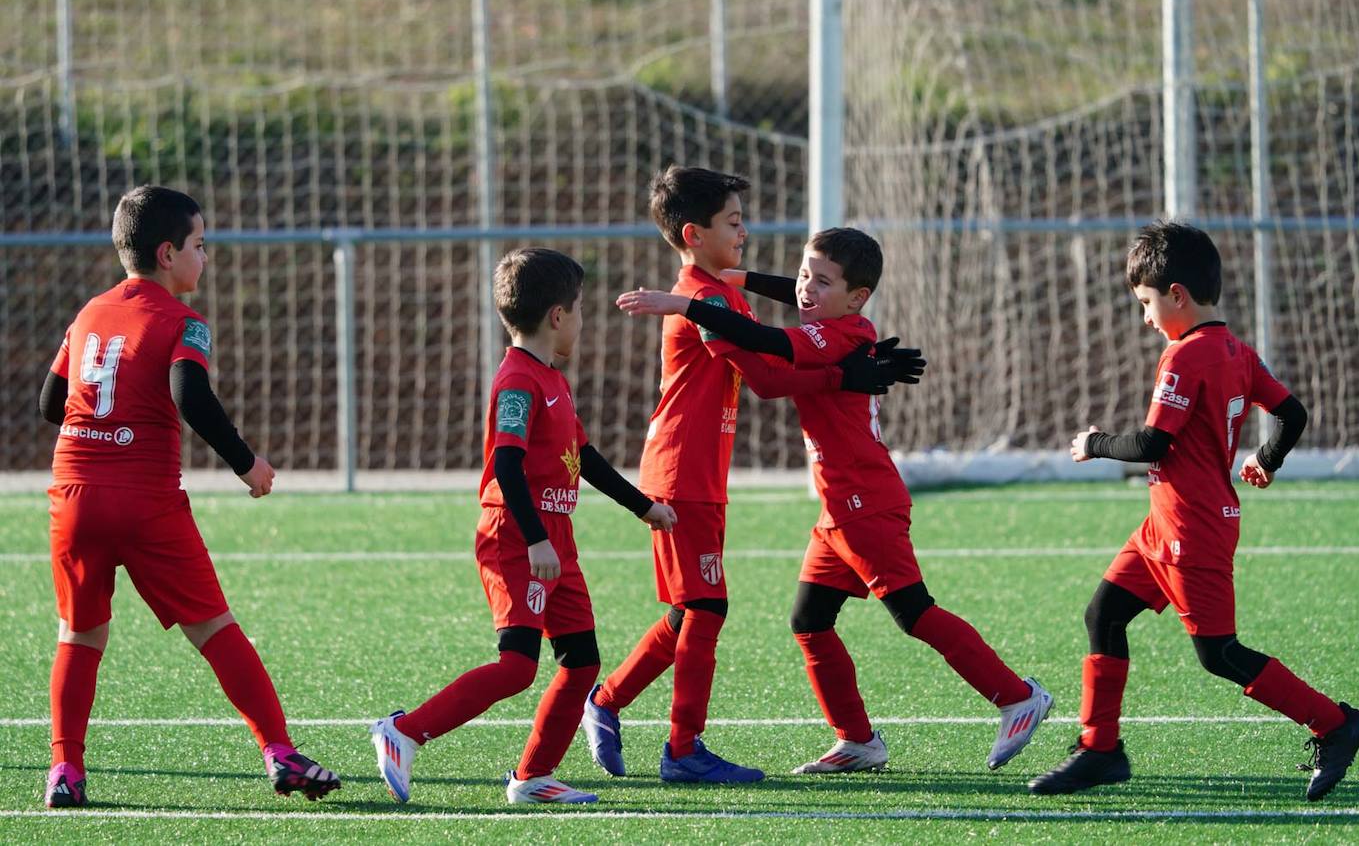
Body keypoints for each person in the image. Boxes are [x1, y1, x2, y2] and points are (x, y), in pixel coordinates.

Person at [616, 226, 1051, 776]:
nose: (806, 290)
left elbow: (768, 344)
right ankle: (858, 740)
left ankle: (1016, 697)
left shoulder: (835, 334)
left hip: (866, 500)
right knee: (811, 619)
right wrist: (742, 278)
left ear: (857, 298)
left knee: (914, 612)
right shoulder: (832, 320)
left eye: (822, 282)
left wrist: (683, 304)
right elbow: (800, 295)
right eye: (804, 275)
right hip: (838, 509)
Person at [581, 167, 922, 784]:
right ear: (695, 233)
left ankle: (606, 704)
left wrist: (855, 354)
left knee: (692, 611)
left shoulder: (721, 291)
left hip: (701, 471)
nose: (745, 231)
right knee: (706, 607)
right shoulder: (706, 299)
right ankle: (682, 750)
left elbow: (801, 301)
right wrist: (848, 374)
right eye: (733, 222)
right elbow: (766, 378)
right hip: (682, 470)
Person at [1027, 220, 1359, 800]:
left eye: (1146, 303)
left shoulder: (1184, 357)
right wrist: (1267, 457)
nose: (1145, 318)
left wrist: (1094, 443)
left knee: (1219, 653)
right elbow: (1295, 413)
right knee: (1103, 615)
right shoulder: (1237, 350)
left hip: (1193, 528)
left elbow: (1152, 443)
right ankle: (1099, 749)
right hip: (1164, 525)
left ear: (1177, 295)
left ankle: (1336, 724)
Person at [39, 185, 340, 808]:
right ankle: (280, 753)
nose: (207, 257)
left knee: (79, 635)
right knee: (216, 629)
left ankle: (65, 772)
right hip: (145, 499)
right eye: (201, 246)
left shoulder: (88, 313)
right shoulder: (183, 321)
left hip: (73, 495)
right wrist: (246, 463)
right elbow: (191, 397)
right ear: (168, 252)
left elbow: (50, 404)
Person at [370, 247, 677, 805]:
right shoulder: (518, 381)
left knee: (582, 661)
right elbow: (506, 466)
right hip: (517, 537)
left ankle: (533, 776)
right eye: (579, 309)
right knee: (516, 665)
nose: (582, 320)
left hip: (555, 540)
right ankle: (403, 732)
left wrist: (643, 506)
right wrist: (536, 539)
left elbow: (585, 458)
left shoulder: (551, 378)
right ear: (557, 316)